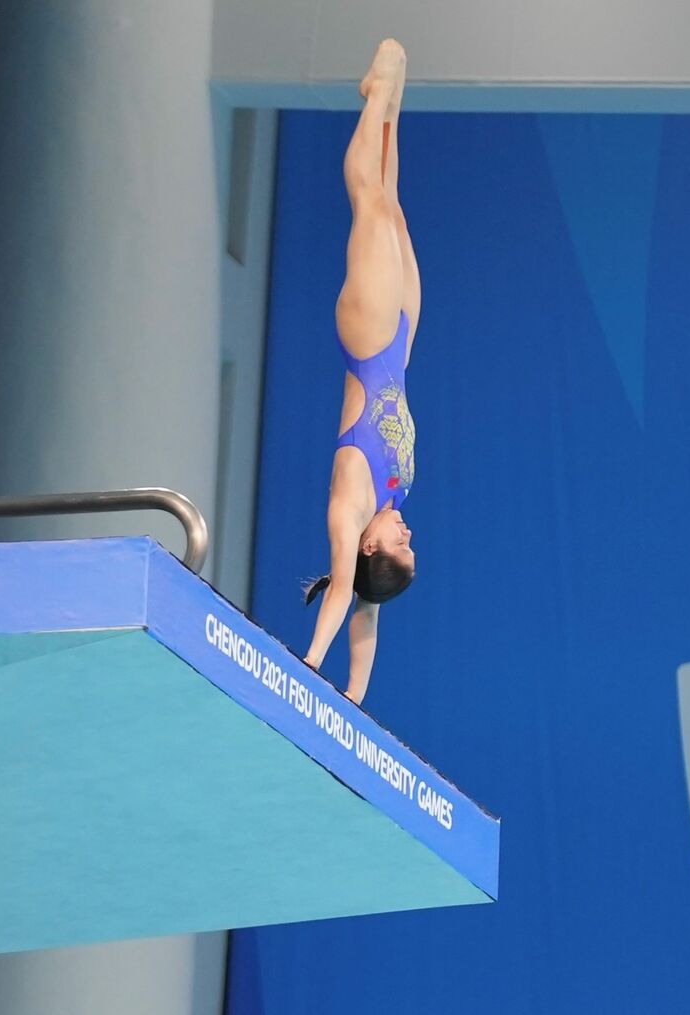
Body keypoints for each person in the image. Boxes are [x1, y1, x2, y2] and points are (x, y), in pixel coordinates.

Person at [302, 37, 419, 706]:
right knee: (392, 207)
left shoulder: (349, 510)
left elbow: (347, 594)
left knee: (368, 202)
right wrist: (353, 701)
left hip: (368, 339)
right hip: (399, 347)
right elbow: (369, 621)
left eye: (401, 546)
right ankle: (392, 107)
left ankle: (374, 97)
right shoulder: (390, 502)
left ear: (370, 548)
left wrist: (311, 664)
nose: (407, 534)